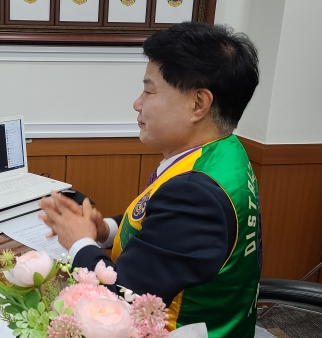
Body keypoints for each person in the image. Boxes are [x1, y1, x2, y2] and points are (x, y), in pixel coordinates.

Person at [39, 22, 262, 338]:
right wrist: (105, 231)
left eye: (149, 89)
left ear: (198, 104)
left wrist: (78, 242)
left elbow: (122, 303)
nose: (137, 103)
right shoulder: (224, 152)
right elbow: (164, 235)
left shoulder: (195, 193)